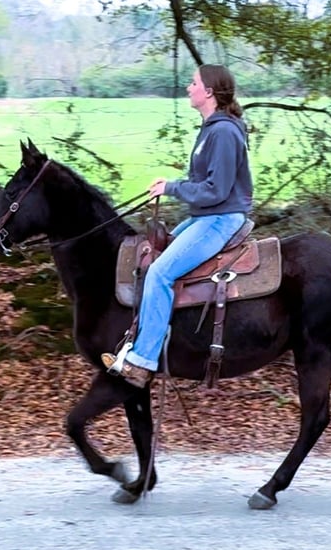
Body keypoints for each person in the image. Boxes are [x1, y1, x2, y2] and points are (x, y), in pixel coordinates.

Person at [102, 64, 254, 387]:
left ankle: (142, 363)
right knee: (154, 259)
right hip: (206, 217)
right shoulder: (211, 128)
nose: (189, 87)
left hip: (220, 219)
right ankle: (141, 340)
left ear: (209, 91)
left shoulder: (224, 132)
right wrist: (173, 186)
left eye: (194, 82)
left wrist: (172, 188)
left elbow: (217, 189)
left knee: (160, 273)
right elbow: (205, 183)